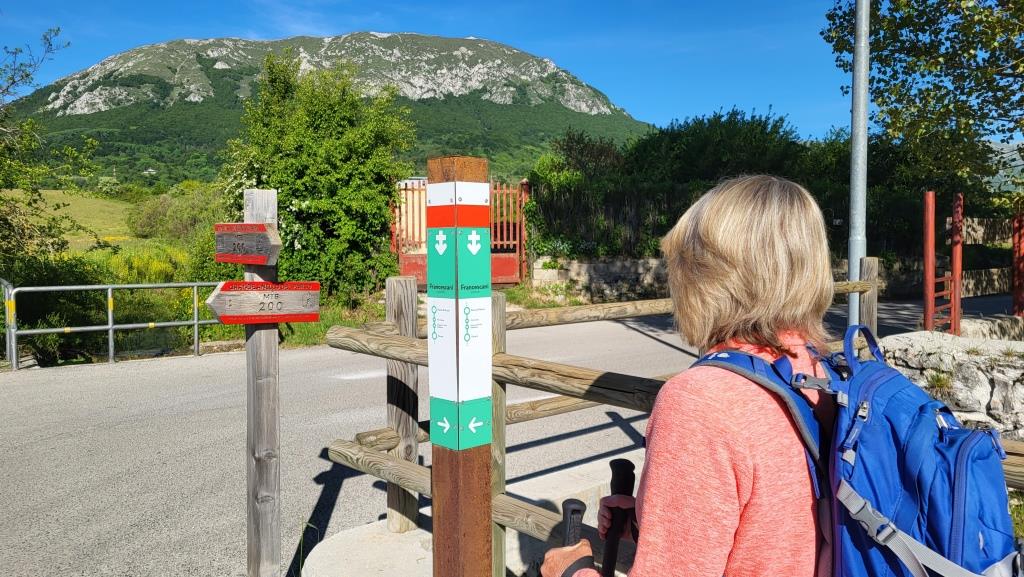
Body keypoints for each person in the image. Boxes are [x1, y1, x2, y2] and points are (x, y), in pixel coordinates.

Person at [541, 175, 835, 577]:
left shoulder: (702, 403)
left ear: (707, 277)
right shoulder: (819, 372)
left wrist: (571, 571)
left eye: (679, 265)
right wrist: (655, 522)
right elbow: (776, 528)